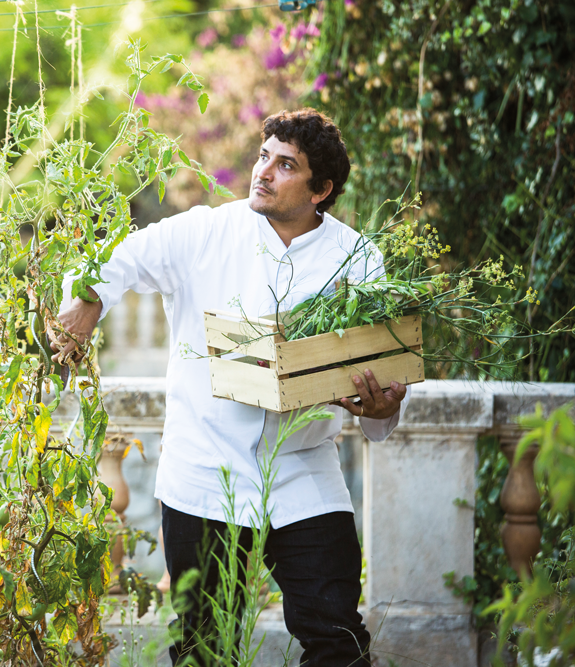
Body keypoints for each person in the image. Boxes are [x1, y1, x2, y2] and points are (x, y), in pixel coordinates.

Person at [49, 108, 409, 666]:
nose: (262, 171)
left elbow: (377, 386)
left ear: (322, 190)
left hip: (303, 472)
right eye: (263, 155)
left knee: (338, 639)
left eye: (285, 164)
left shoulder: (359, 259)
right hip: (204, 474)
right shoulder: (204, 231)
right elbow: (120, 258)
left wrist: (380, 410)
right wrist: (87, 302)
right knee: (203, 649)